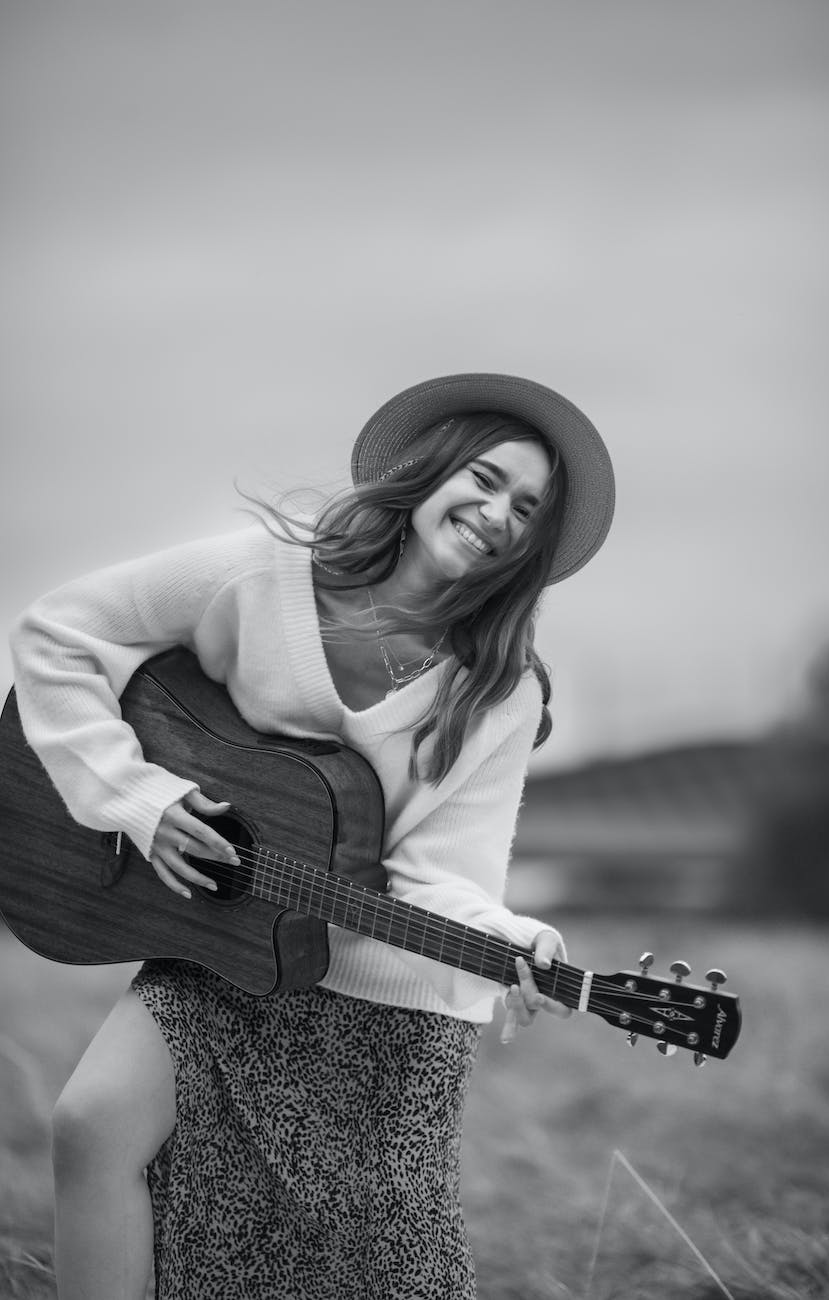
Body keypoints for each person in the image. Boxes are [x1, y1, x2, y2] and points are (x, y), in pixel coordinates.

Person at [10, 372, 615, 1300]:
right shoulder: (261, 578)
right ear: (429, 475)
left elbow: (434, 875)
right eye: (484, 480)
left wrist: (514, 942)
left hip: (390, 995)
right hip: (226, 943)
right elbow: (60, 633)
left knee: (362, 1264)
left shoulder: (497, 691)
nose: (497, 513)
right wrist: (136, 799)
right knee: (90, 1127)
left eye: (526, 509)